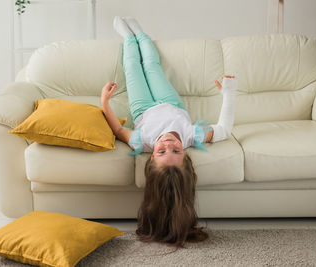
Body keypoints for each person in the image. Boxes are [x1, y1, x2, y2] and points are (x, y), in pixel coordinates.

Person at [100, 16, 238, 248]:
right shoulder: (191, 136)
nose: (168, 142)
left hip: (142, 106)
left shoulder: (141, 141)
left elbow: (117, 129)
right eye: (176, 150)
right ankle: (140, 35)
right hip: (170, 101)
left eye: (162, 151)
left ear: (151, 157)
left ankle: (127, 38)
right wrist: (229, 92)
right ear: (186, 154)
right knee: (152, 65)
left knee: (133, 67)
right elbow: (223, 129)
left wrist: (104, 102)